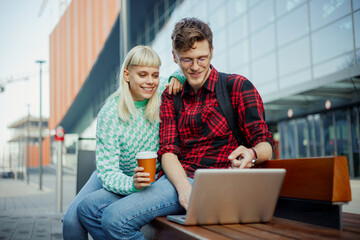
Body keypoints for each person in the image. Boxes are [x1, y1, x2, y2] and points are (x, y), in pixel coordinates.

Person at [77, 18, 274, 240]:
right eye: (187, 60)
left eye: (202, 58)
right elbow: (168, 151)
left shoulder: (237, 86)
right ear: (175, 57)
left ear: (212, 51)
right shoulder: (172, 95)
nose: (196, 67)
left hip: (214, 182)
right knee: (88, 210)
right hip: (175, 178)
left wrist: (252, 153)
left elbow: (265, 144)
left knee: (115, 219)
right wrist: (183, 189)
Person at [62, 45, 185, 240]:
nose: (150, 81)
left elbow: (190, 69)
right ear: (127, 75)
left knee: (92, 212)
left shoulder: (161, 90)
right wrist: (132, 184)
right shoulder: (110, 114)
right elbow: (108, 172)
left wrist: (177, 76)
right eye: (142, 74)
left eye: (155, 75)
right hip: (116, 173)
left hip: (152, 176)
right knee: (70, 221)